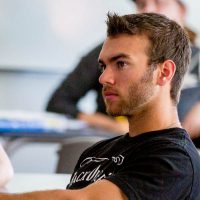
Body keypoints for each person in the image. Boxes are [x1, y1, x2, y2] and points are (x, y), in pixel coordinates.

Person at [1, 12, 200, 199]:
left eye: (121, 63)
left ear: (164, 72)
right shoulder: (96, 153)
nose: (104, 77)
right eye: (103, 66)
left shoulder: (176, 162)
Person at [46, 0, 200, 140]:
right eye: (141, 5)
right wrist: (112, 126)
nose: (148, 10)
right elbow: (58, 102)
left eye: (159, 3)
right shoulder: (109, 51)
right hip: (110, 146)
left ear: (182, 9)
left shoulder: (197, 57)